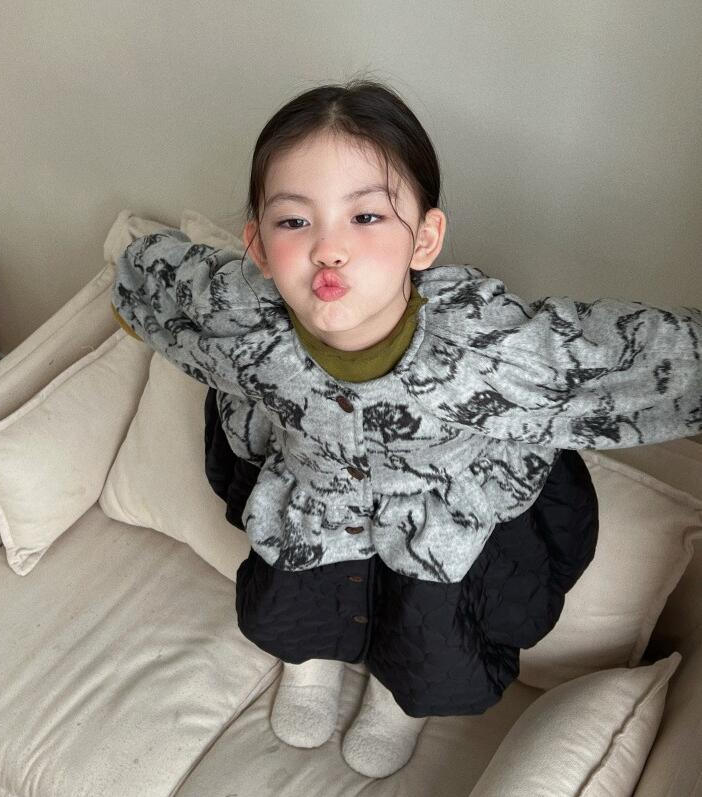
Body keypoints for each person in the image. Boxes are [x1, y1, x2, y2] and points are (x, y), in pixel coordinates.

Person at [111, 79, 702, 779]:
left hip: (434, 531)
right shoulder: (244, 317)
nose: (329, 249)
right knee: (295, 596)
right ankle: (311, 662)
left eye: (365, 217)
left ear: (424, 238)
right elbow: (169, 283)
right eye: (294, 222)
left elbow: (624, 357)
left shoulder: (485, 348)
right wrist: (130, 288)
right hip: (314, 503)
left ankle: (397, 699)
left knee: (431, 637)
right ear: (258, 246)